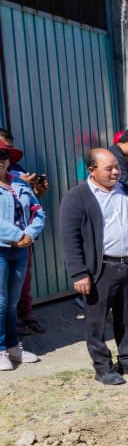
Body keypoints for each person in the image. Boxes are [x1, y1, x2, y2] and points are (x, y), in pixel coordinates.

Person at [60, 148, 128, 385]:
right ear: (92, 170)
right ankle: (103, 367)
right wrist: (79, 272)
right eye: (109, 168)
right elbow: (69, 238)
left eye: (117, 167)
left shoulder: (127, 192)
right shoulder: (77, 197)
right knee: (96, 321)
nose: (116, 172)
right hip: (100, 270)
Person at [0, 141, 44, 371]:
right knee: (0, 301)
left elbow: (38, 211)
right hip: (2, 249)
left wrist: (29, 235)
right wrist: (17, 235)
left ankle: (13, 345)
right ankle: (0, 349)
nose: (1, 159)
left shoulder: (18, 184)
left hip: (20, 249)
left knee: (12, 301)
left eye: (3, 155)